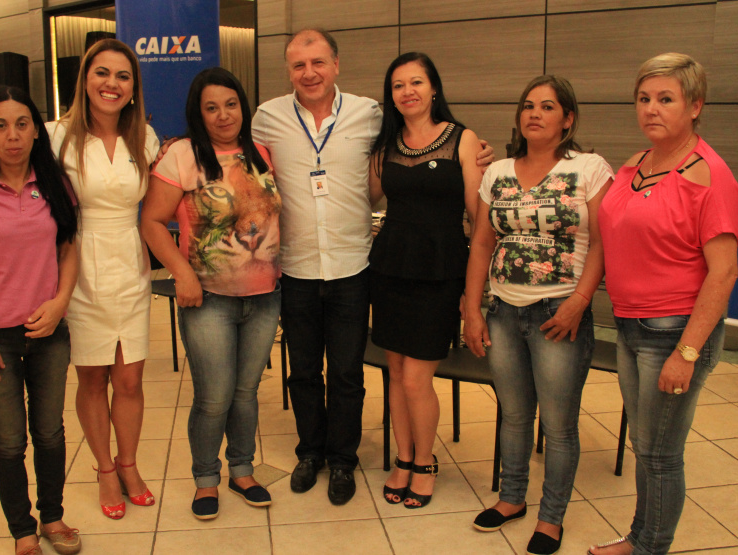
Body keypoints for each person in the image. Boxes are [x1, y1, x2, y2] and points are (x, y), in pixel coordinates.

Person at [251, 29, 495, 506]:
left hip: (356, 265)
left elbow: (466, 197)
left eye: (318, 62)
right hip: (302, 266)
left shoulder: (369, 115)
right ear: (288, 70)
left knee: (349, 373)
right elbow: (230, 153)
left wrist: (480, 156)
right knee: (305, 371)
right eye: (299, 65)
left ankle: (346, 459)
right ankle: (312, 453)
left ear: (336, 65)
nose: (309, 72)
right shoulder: (268, 118)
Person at [0, 38, 160, 520]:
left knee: (130, 378)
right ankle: (105, 468)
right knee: (92, 376)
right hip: (74, 266)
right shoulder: (56, 136)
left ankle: (129, 464)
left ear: (133, 87)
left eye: (123, 76)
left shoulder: (145, 137)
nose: (112, 84)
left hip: (129, 264)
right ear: (84, 79)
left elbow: (165, 199)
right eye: (102, 73)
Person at [589, 53, 738, 555]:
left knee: (660, 454)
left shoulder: (710, 177)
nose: (651, 109)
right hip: (630, 325)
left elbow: (724, 273)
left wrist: (687, 352)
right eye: (643, 98)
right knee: (646, 445)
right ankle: (640, 537)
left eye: (665, 99)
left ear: (695, 106)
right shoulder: (636, 164)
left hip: (674, 332)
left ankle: (649, 547)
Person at [464, 75, 613, 555]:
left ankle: (551, 517)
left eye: (548, 107)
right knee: (513, 414)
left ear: (568, 119)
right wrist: (472, 308)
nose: (534, 113)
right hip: (503, 310)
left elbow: (604, 243)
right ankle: (511, 499)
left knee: (558, 424)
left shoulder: (588, 168)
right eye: (528, 105)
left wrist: (579, 302)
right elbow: (482, 242)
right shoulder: (497, 172)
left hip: (559, 312)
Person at [141, 67, 281, 520]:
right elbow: (152, 222)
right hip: (208, 299)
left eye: (231, 105)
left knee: (245, 393)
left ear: (243, 106)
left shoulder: (261, 152)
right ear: (198, 114)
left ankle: (242, 470)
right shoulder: (182, 155)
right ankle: (206, 478)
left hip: (264, 295)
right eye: (212, 108)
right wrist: (181, 272)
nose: (224, 115)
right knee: (214, 397)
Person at [0, 86, 81, 555]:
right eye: (1, 126)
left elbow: (68, 251)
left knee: (50, 431)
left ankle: (53, 517)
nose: (12, 136)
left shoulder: (56, 182)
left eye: (22, 124)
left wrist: (61, 302)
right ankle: (23, 531)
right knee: (9, 439)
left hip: (47, 330)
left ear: (36, 130)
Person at [368, 52, 482, 509]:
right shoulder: (386, 145)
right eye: (398, 85)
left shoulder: (463, 139)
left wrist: (474, 291)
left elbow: (479, 218)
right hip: (390, 266)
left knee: (417, 378)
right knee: (395, 372)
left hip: (440, 269)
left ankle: (425, 461)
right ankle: (403, 458)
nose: (407, 91)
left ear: (434, 88)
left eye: (416, 82)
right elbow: (365, 197)